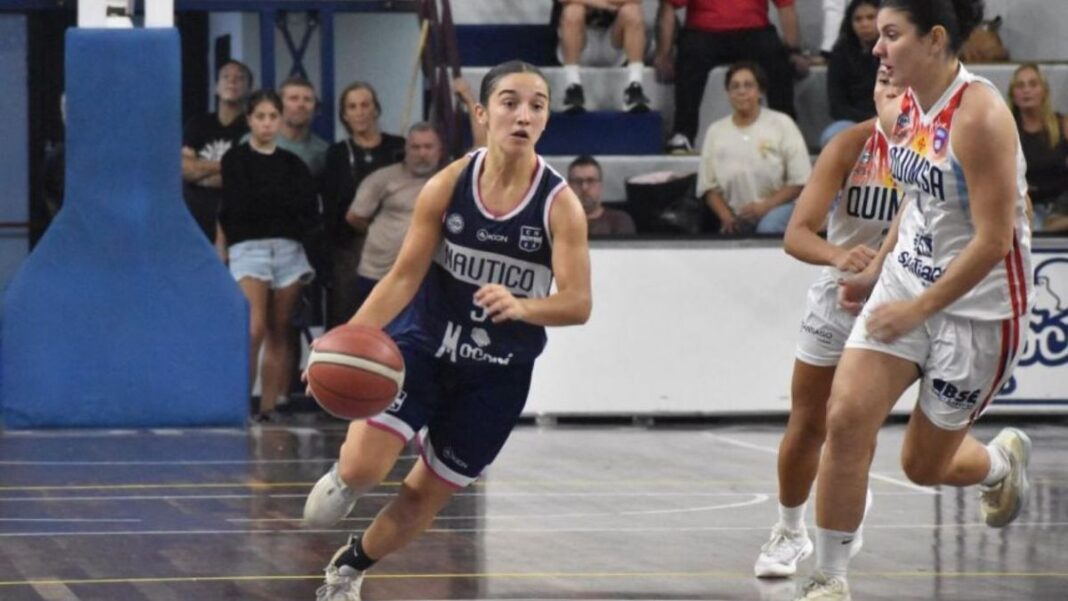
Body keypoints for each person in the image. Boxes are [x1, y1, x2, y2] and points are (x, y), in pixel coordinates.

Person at [303, 60, 591, 601]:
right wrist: (333, 345)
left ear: (547, 119)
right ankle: (345, 477)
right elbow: (402, 276)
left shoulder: (561, 206)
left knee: (421, 498)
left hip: (498, 377)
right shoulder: (449, 183)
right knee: (365, 469)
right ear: (482, 114)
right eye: (509, 101)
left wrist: (524, 307)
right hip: (426, 347)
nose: (523, 114)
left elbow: (578, 304)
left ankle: (350, 567)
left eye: (536, 104)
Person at [796, 2, 1035, 599]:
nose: (877, 50)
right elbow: (917, 199)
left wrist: (918, 307)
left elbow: (993, 241)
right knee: (846, 418)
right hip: (909, 280)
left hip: (978, 307)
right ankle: (828, 578)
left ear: (933, 40)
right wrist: (878, 270)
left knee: (922, 467)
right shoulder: (902, 105)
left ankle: (1000, 464)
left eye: (891, 37)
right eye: (878, 37)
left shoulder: (980, 116)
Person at [754, 68, 903, 579]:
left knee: (855, 422)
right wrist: (840, 255)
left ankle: (844, 506)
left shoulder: (945, 150)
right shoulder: (851, 146)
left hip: (905, 301)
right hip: (838, 298)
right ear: (875, 95)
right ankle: (790, 529)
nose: (897, 101)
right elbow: (797, 234)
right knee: (809, 420)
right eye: (887, 90)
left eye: (906, 92)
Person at [217, 90, 318, 422]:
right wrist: (224, 247)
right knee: (254, 326)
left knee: (280, 327)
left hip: (288, 248)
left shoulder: (293, 164)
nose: (266, 123)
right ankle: (239, 402)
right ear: (249, 120)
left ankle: (269, 405)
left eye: (272, 117)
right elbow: (229, 208)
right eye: (260, 117)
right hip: (249, 248)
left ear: (280, 119)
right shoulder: (235, 159)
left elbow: (305, 209)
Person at [655, 0, 802, 154]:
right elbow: (669, 6)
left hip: (754, 31)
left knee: (776, 58)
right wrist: (664, 54)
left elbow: (786, 6)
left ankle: (787, 131)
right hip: (702, 32)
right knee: (689, 57)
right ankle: (682, 134)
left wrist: (794, 51)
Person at [322, 82, 406, 328]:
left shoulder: (399, 147)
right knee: (347, 322)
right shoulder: (337, 154)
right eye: (352, 107)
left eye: (365, 105)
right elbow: (332, 209)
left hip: (396, 251)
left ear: (376, 109)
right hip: (351, 251)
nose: (359, 112)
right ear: (344, 115)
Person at [696, 61, 811, 235]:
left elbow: (800, 181)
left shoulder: (782, 124)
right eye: (735, 87)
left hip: (780, 209)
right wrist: (726, 216)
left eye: (748, 85)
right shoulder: (715, 131)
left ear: (761, 92)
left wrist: (765, 206)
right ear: (728, 93)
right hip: (735, 215)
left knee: (768, 228)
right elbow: (707, 186)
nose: (741, 91)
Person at [345, 122, 445, 312]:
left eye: (428, 147)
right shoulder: (382, 178)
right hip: (378, 272)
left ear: (439, 151)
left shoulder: (449, 181)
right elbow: (355, 217)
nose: (422, 153)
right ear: (406, 150)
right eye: (415, 147)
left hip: (425, 277)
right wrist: (382, 235)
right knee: (372, 334)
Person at [181, 60, 253, 240]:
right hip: (193, 220)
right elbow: (185, 170)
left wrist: (200, 172)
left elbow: (244, 177)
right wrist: (227, 165)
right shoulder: (197, 124)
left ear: (249, 89)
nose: (232, 82)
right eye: (226, 77)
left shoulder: (253, 128)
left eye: (239, 78)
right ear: (216, 87)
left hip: (237, 220)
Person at [552, 0, 650, 113]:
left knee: (632, 10)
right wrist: (605, 5)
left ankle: (634, 87)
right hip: (580, 42)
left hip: (614, 40)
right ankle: (572, 87)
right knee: (573, 11)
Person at [1007, 63, 1068, 233]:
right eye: (1020, 86)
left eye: (1033, 84)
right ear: (1013, 95)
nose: (1026, 90)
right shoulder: (1006, 130)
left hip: (1061, 204)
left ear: (1044, 91)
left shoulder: (1063, 125)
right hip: (1024, 206)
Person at [821, 0, 880, 147]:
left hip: (894, 118)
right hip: (854, 120)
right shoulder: (840, 53)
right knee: (832, 136)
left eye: (871, 17)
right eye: (858, 19)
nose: (864, 24)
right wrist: (869, 119)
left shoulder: (896, 50)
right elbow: (836, 105)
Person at [275, 76, 330, 178]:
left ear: (315, 108)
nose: (301, 104)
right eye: (293, 98)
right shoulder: (253, 143)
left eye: (308, 99)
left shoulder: (323, 152)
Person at [568, 155, 636, 236]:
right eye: (577, 182)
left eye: (591, 181)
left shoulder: (619, 221)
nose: (584, 187)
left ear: (600, 186)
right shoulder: (556, 221)